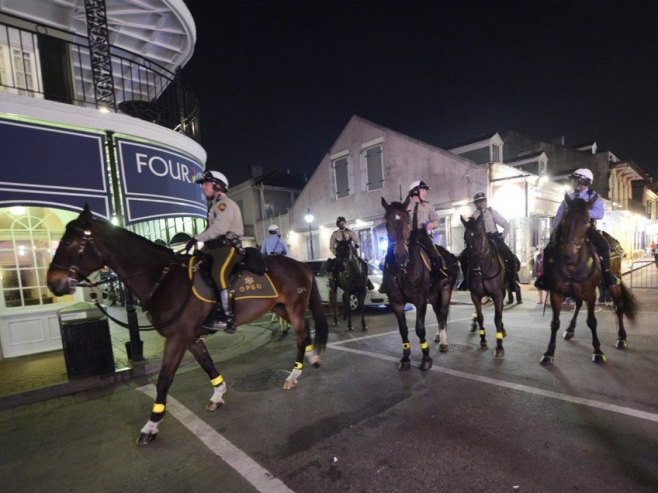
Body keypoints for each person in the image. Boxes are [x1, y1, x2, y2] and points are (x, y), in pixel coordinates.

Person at [534, 168, 619, 290]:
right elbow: (559, 214)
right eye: (573, 181)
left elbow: (600, 214)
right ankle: (545, 277)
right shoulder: (569, 197)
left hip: (586, 228)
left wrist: (582, 212)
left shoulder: (593, 196)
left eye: (575, 180)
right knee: (548, 249)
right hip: (567, 230)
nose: (573, 183)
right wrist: (555, 231)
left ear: (583, 181)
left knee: (605, 246)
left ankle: (607, 275)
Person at [186, 170, 244, 332]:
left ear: (217, 186)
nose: (203, 187)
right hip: (215, 248)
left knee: (218, 273)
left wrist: (197, 238)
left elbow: (219, 228)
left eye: (206, 183)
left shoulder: (224, 204)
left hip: (228, 248)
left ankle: (227, 317)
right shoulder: (214, 206)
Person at [463, 191, 522, 303]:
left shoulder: (491, 212)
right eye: (478, 202)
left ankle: (511, 281)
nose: (481, 203)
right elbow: (469, 230)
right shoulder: (473, 216)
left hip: (494, 238)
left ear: (485, 201)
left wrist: (503, 237)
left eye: (482, 201)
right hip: (479, 241)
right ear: (476, 204)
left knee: (510, 258)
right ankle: (467, 282)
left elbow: (506, 224)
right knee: (465, 257)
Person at [406, 180, 446, 283]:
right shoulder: (405, 207)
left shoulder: (429, 206)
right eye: (423, 190)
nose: (426, 193)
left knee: (435, 255)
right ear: (415, 191)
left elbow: (437, 220)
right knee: (393, 253)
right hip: (408, 236)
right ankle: (389, 280)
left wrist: (432, 224)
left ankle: (438, 276)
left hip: (422, 235)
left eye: (426, 191)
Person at [329, 216, 360, 295]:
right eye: (340, 223)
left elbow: (357, 240)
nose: (342, 224)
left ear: (345, 223)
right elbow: (331, 246)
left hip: (351, 253)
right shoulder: (335, 234)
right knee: (334, 266)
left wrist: (357, 245)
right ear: (338, 224)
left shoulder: (350, 232)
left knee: (362, 263)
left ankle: (366, 281)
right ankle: (334, 283)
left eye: (343, 223)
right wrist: (336, 254)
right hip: (340, 254)